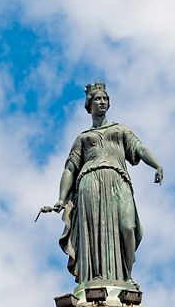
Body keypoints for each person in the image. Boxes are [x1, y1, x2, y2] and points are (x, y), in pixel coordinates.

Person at [50, 82, 163, 287]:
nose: (102, 102)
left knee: (127, 227)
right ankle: (95, 278)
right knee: (94, 232)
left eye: (105, 99)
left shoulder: (120, 130)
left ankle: (126, 276)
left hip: (118, 180)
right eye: (97, 99)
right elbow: (69, 169)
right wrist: (61, 198)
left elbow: (139, 148)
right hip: (90, 183)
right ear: (89, 105)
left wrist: (156, 165)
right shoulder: (83, 138)